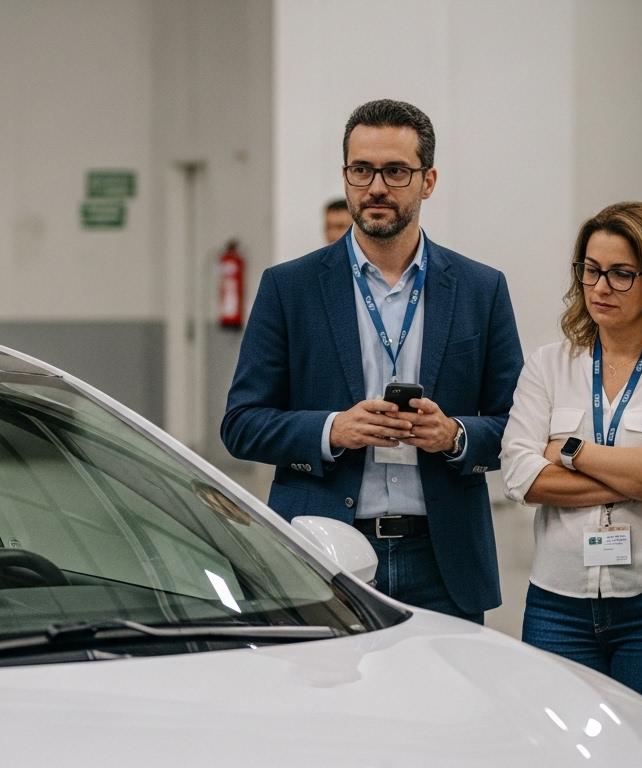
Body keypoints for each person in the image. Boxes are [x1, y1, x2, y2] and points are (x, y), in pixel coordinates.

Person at [221, 99, 523, 622]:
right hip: (321, 551)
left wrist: (453, 435)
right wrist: (333, 430)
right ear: (346, 176)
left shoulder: (480, 289)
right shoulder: (289, 288)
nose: (376, 187)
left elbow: (516, 425)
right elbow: (242, 424)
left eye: (395, 171)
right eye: (361, 170)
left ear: (428, 181)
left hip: (442, 558)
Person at [499, 202, 642, 728]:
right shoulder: (548, 364)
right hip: (558, 605)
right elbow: (519, 475)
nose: (601, 287)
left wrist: (570, 451)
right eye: (591, 270)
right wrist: (639, 473)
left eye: (621, 274)